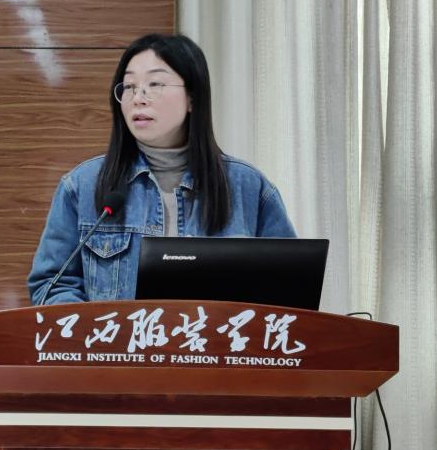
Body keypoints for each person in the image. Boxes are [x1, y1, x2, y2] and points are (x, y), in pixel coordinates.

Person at [27, 33, 295, 305]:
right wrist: (99, 327)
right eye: (129, 86)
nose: (138, 98)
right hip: (118, 335)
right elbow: (51, 285)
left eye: (155, 84)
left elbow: (288, 289)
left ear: (192, 97)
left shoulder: (247, 187)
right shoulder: (83, 185)